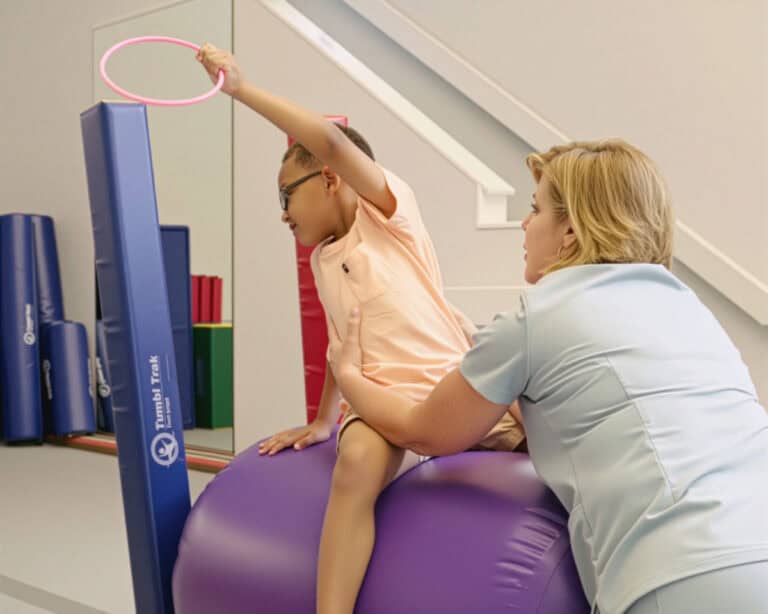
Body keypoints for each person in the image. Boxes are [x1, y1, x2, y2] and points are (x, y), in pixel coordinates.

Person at [332, 139, 768, 614]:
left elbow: (423, 430)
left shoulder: (538, 315)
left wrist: (349, 376)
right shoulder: (686, 306)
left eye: (535, 209)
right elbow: (582, 403)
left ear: (570, 234)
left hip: (685, 572)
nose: (524, 224)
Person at [196, 44, 525, 614]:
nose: (282, 213)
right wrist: (325, 420)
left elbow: (328, 141)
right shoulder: (325, 258)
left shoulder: (390, 216)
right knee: (355, 467)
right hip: (379, 405)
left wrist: (241, 90)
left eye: (286, 195)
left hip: (453, 394)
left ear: (330, 179)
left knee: (541, 434)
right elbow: (340, 343)